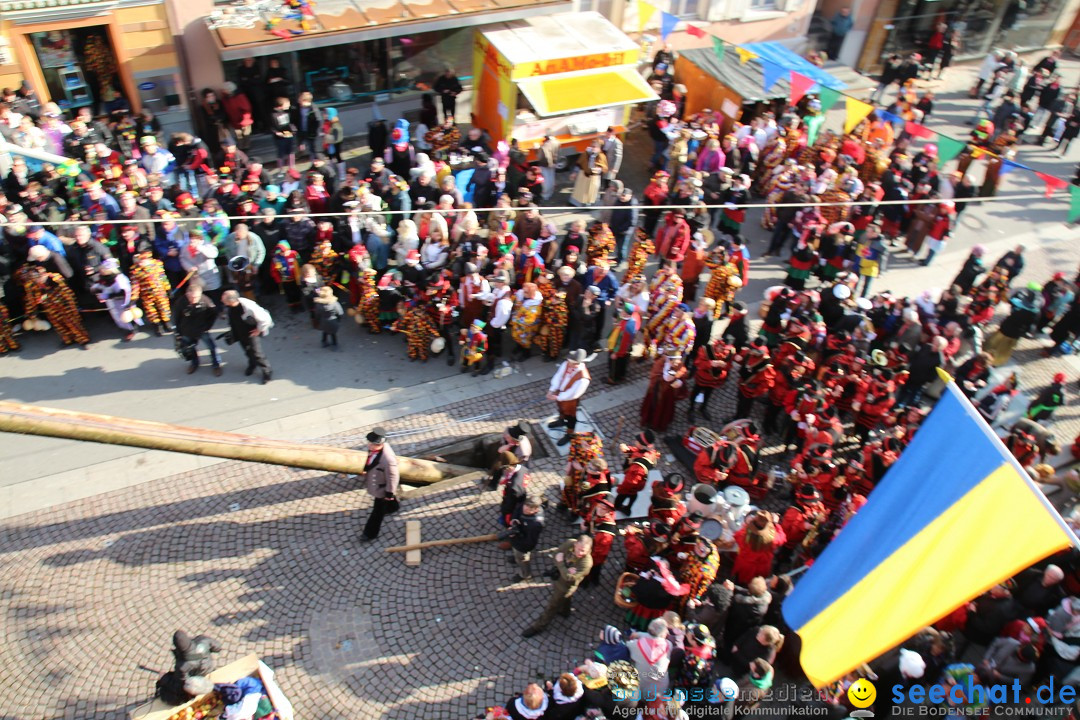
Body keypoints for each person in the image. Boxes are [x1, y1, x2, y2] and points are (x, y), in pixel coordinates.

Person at [521, 534, 593, 638]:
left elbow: (569, 577)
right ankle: (565, 611)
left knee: (552, 606)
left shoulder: (586, 563)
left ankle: (538, 627)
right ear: (576, 544)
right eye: (579, 549)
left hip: (566, 587)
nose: (580, 553)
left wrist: (561, 563)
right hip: (558, 579)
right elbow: (556, 554)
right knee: (565, 599)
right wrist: (564, 568)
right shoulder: (570, 543)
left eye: (584, 551)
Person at [221, 289, 273, 383]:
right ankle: (252, 363)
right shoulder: (231, 307)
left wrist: (259, 329)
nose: (222, 301)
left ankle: (267, 371)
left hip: (250, 333)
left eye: (224, 300)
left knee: (257, 353)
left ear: (231, 301)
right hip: (239, 331)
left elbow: (265, 318)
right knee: (247, 350)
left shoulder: (248, 306)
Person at [360, 427, 399, 542]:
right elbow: (370, 460)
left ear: (380, 444)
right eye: (369, 443)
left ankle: (370, 533)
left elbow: (393, 477)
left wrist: (389, 493)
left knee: (377, 512)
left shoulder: (388, 459)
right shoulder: (374, 450)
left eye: (372, 444)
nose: (369, 446)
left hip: (381, 489)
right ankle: (393, 507)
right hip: (378, 484)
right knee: (386, 504)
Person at [173, 280, 220, 375]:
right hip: (186, 330)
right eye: (191, 297)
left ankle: (216, 364)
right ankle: (194, 363)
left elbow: (213, 314)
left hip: (202, 329)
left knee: (212, 347)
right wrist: (178, 332)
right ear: (187, 294)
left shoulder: (206, 301)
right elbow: (176, 318)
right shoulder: (180, 302)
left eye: (197, 297)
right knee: (190, 348)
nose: (194, 299)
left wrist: (207, 326)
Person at [547, 349, 593, 446]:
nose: (569, 364)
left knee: (570, 417)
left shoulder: (583, 378)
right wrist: (552, 389)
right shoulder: (566, 364)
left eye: (572, 363)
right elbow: (558, 376)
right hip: (559, 394)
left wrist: (558, 397)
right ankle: (561, 420)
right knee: (561, 410)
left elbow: (574, 393)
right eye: (569, 362)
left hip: (570, 400)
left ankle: (570, 433)